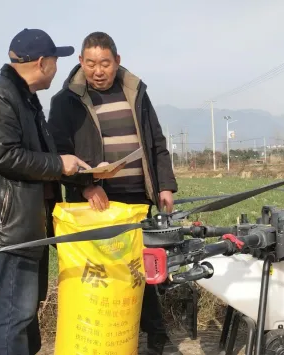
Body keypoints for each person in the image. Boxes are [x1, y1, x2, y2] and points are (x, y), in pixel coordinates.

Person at [0, 28, 114, 355]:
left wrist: (83, 175)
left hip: (30, 223)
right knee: (13, 312)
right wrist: (60, 164)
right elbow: (5, 155)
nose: (58, 67)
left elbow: (39, 154)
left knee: (25, 310)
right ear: (42, 62)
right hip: (13, 226)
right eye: (56, 60)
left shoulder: (23, 97)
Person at [47, 31, 178, 354]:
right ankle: (102, 336)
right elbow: (59, 153)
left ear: (117, 61)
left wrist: (165, 186)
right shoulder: (65, 102)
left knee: (139, 270)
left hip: (136, 200)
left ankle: (155, 335)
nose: (98, 71)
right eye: (90, 63)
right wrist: (87, 185)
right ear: (80, 62)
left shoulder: (136, 93)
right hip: (96, 205)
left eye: (104, 63)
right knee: (106, 274)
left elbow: (156, 143)